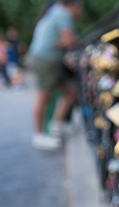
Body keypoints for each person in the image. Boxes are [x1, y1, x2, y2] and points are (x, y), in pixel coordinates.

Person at [27, 0, 83, 150]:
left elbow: (65, 40)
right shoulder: (62, 13)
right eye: (80, 7)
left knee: (70, 92)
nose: (80, 11)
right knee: (43, 97)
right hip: (45, 60)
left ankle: (57, 125)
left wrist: (62, 41)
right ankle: (39, 136)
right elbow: (70, 40)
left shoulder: (54, 11)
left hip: (46, 59)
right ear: (73, 5)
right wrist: (68, 40)